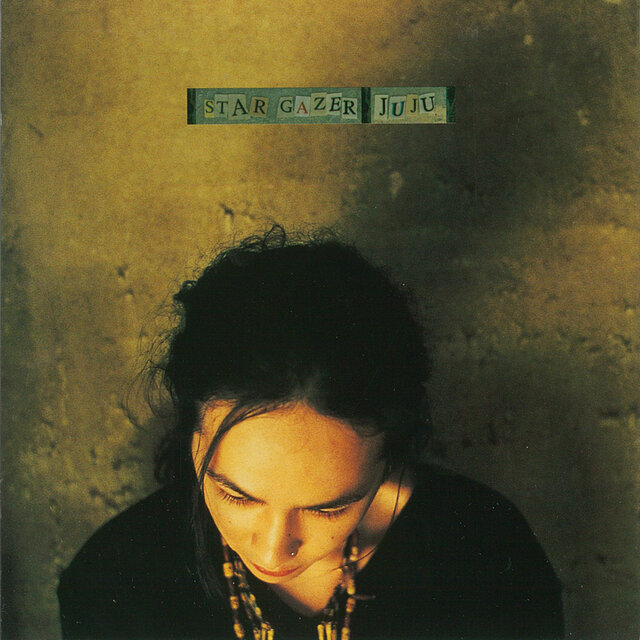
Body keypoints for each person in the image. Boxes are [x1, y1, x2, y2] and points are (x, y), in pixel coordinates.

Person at [57, 226, 564, 640]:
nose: (273, 551)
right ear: (193, 435)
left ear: (392, 453)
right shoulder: (115, 579)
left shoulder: (487, 561)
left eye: (328, 509)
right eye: (237, 496)